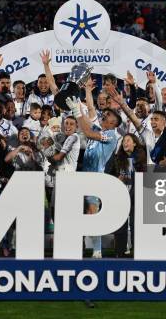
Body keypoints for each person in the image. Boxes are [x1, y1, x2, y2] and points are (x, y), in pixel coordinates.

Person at [66, 95, 121, 259]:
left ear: (113, 123)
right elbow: (86, 122)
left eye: (108, 116)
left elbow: (87, 132)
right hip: (82, 177)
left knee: (92, 213)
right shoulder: (99, 129)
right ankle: (75, 247)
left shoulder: (112, 135)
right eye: (105, 115)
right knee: (76, 214)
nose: (105, 115)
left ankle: (97, 250)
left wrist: (78, 111)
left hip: (96, 179)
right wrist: (78, 107)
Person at [105, 134, 147, 257]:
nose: (125, 143)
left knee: (136, 226)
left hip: (137, 197)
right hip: (121, 196)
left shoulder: (142, 158)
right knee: (120, 227)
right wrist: (117, 179)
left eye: (128, 140)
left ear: (135, 143)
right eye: (123, 141)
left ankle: (137, 250)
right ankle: (120, 252)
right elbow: (107, 174)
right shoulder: (116, 158)